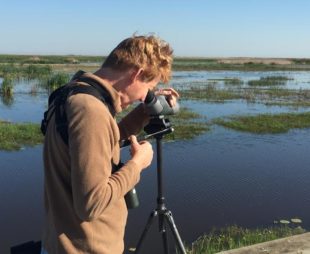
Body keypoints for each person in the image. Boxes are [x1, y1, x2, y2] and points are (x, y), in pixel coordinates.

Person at [42, 34, 178, 254]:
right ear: (137, 74)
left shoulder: (74, 93)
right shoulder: (91, 111)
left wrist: (145, 111)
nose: (145, 96)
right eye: (148, 88)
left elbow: (103, 141)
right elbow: (91, 204)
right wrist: (136, 165)